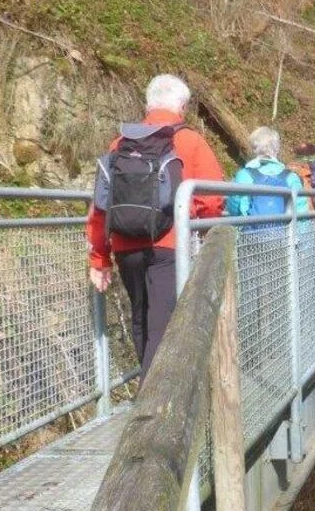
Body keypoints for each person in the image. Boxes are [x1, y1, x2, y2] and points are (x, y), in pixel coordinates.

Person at [87, 74, 224, 374]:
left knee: (141, 319)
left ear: (147, 105)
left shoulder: (120, 143)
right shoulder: (189, 140)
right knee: (162, 324)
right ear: (183, 106)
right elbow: (213, 198)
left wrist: (100, 258)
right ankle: (152, 407)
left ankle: (148, 391)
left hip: (125, 244)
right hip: (168, 243)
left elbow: (100, 205)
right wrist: (200, 226)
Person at [226, 127, 308, 222]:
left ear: (254, 148)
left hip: (250, 234)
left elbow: (234, 208)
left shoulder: (244, 175)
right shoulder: (291, 177)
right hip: (282, 234)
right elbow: (301, 213)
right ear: (277, 149)